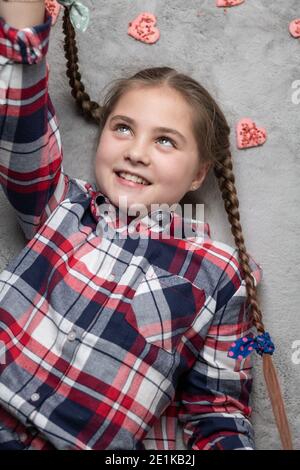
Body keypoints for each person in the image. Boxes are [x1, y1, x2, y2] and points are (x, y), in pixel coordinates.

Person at [0, 0, 292, 450]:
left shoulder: (225, 274)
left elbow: (216, 408)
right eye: (122, 129)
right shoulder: (62, 205)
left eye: (165, 140)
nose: (136, 151)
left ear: (199, 174)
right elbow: (22, 124)